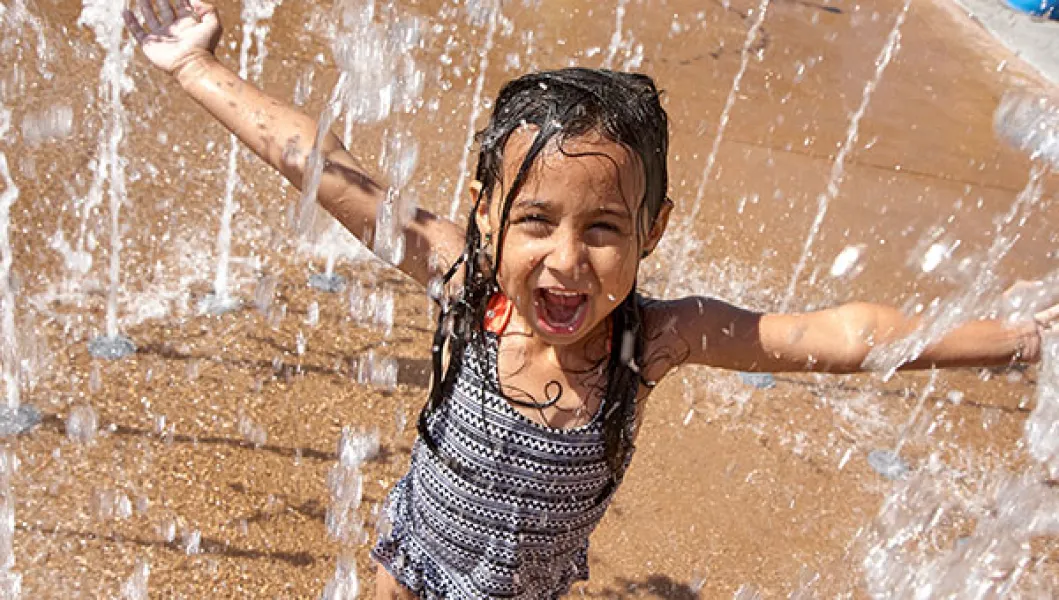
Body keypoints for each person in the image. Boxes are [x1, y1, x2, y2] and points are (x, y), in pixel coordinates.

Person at [123, 1, 1058, 598]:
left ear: (651, 232)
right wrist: (194, 66)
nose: (565, 263)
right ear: (485, 214)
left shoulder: (651, 341)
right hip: (409, 565)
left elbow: (839, 333)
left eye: (603, 230)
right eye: (534, 220)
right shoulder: (464, 285)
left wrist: (1015, 337)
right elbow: (322, 169)